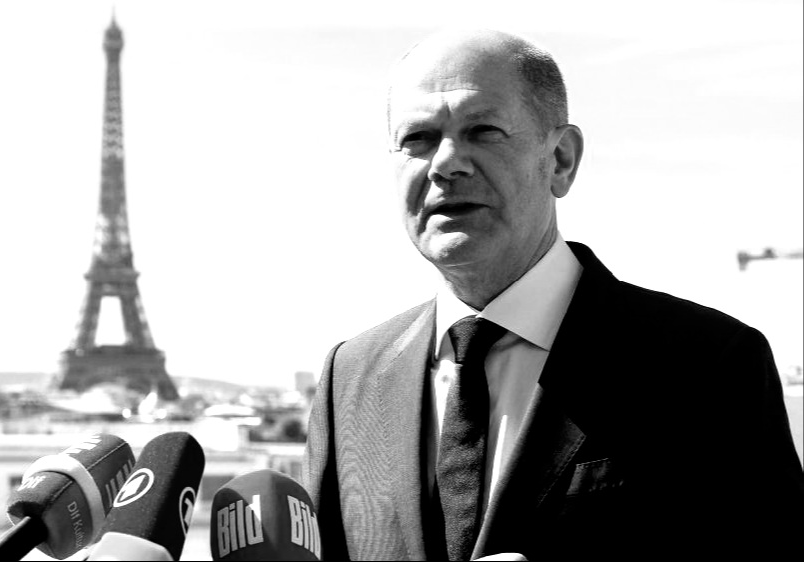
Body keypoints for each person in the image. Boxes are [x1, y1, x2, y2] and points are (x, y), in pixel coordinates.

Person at [304, 28, 804, 561]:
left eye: (483, 130)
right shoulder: (350, 377)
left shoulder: (707, 364)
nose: (446, 163)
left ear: (561, 160)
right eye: (418, 138)